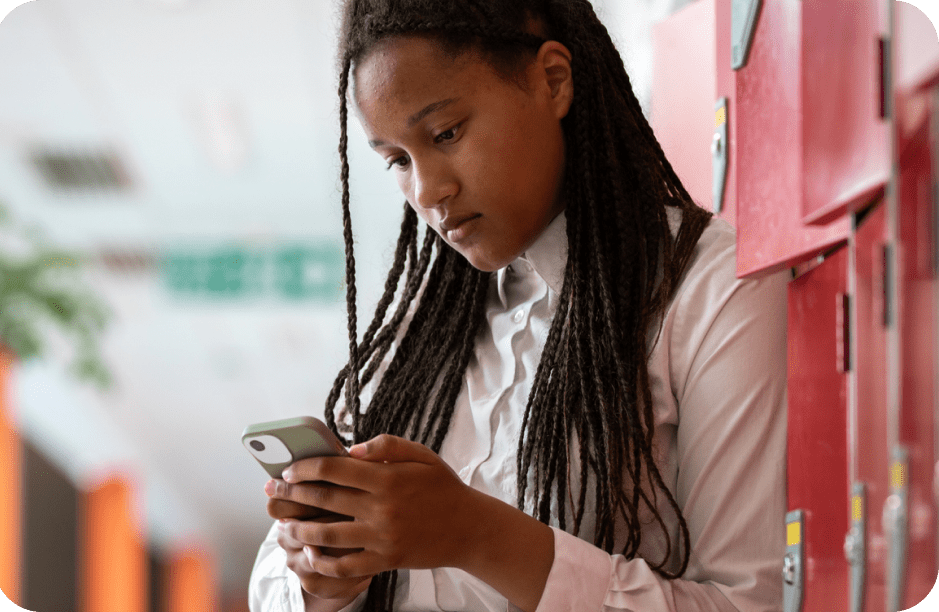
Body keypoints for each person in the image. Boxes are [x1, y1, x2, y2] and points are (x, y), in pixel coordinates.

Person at [249, 0, 788, 610]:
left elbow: (750, 603)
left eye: (447, 133)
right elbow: (271, 582)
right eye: (397, 160)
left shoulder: (709, 289)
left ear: (552, 80)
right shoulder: (426, 326)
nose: (427, 192)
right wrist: (323, 577)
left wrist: (476, 535)